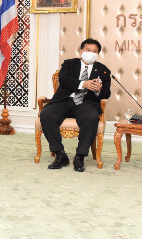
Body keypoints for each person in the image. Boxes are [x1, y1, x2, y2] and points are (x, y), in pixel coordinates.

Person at [41, 38, 111, 172]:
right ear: (81, 51)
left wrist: (98, 90)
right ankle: (60, 154)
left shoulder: (103, 70)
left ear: (98, 54)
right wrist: (83, 84)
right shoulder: (69, 64)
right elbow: (63, 80)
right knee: (46, 114)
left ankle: (80, 156)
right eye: (88, 50)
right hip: (65, 100)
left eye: (94, 51)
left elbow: (107, 93)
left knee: (91, 117)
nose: (91, 53)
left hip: (86, 102)